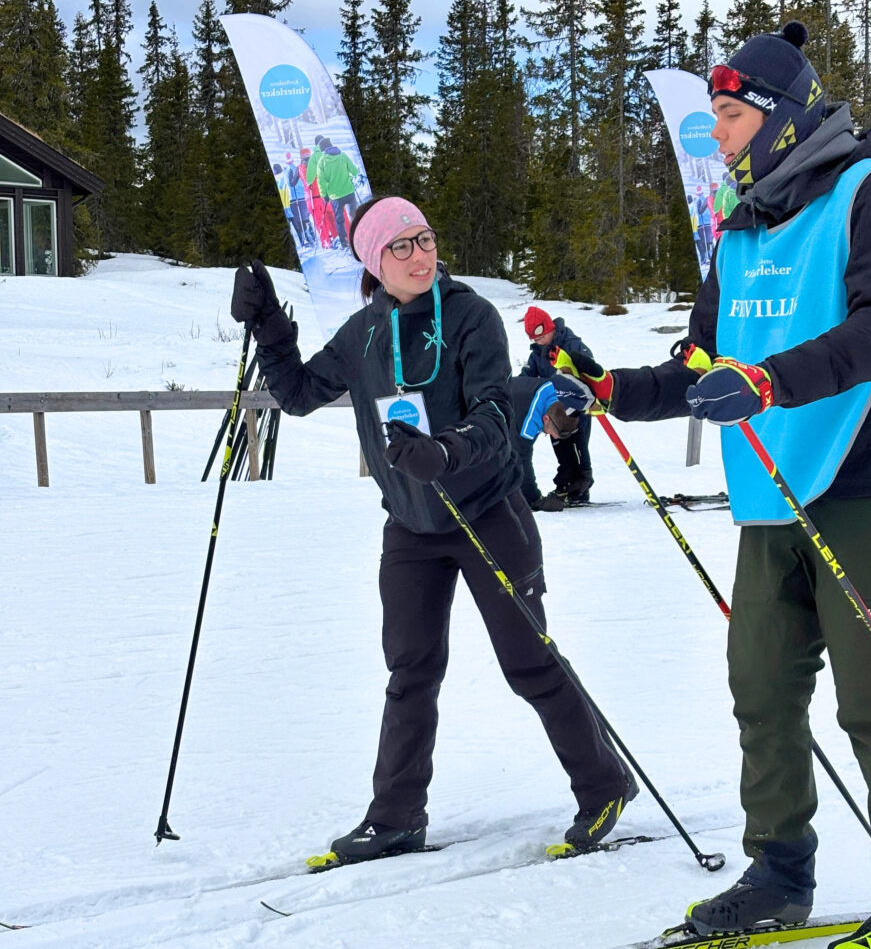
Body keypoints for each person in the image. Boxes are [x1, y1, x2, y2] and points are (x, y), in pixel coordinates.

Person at [563, 22, 871, 949]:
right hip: (775, 483)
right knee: (762, 687)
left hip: (870, 473)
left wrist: (773, 380)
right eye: (713, 120)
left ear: (780, 117)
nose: (720, 137)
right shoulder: (740, 227)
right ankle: (778, 874)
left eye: (731, 117)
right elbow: (704, 361)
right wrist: (610, 389)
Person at [229, 196, 636, 866]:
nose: (419, 255)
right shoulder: (362, 333)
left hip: (487, 514)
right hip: (413, 527)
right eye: (401, 246)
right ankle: (394, 818)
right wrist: (269, 325)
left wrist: (445, 452)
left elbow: (494, 416)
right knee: (410, 672)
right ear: (373, 260)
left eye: (425, 240)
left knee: (528, 663)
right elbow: (299, 394)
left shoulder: (470, 316)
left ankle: (605, 785)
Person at [518, 305, 595, 505]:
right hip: (554, 411)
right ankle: (564, 485)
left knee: (578, 447)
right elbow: (527, 377)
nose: (539, 341)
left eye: (541, 336)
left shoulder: (571, 343)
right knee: (560, 447)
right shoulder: (537, 353)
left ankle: (580, 488)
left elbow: (590, 367)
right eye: (535, 339)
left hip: (577, 409)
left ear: (550, 327)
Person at [509, 374, 592, 512]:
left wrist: (583, 471)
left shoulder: (567, 399)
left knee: (565, 436)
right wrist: (535, 500)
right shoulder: (528, 422)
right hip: (492, 401)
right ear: (546, 419)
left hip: (523, 393)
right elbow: (521, 460)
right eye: (551, 433)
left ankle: (572, 483)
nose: (551, 436)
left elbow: (576, 434)